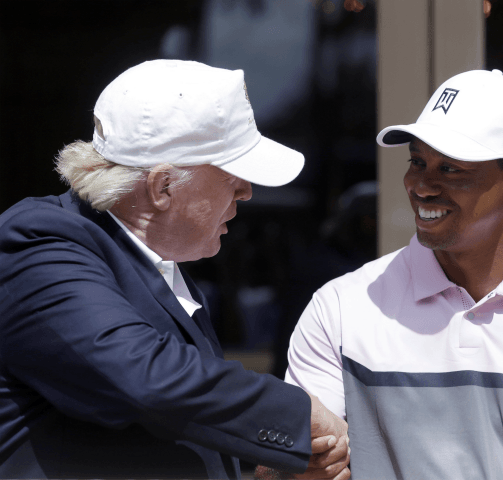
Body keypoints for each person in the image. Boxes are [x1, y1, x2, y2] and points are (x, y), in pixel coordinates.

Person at [0, 60, 350, 480]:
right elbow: (142, 377)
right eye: (232, 175)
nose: (247, 190)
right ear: (162, 186)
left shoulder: (152, 262)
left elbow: (165, 425)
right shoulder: (39, 244)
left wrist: (260, 464)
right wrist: (298, 415)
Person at [284, 69, 503, 479]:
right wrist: (294, 467)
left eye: (451, 168)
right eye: (417, 161)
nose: (422, 185)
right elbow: (285, 464)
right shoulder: (342, 309)